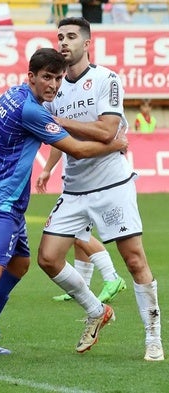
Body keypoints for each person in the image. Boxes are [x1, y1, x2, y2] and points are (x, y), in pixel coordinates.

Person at [0, 47, 128, 368]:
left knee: (19, 266)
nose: (53, 85)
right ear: (32, 77)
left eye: (57, 78)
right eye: (46, 78)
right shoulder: (32, 111)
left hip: (12, 203)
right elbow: (78, 151)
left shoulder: (14, 94)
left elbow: (1, 128)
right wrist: (117, 143)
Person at [38, 17, 163, 361]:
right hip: (74, 188)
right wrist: (49, 167)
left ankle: (153, 336)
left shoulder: (106, 79)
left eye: (71, 36)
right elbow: (56, 139)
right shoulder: (54, 89)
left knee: (135, 259)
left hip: (112, 185)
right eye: (60, 36)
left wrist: (60, 122)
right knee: (48, 258)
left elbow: (109, 131)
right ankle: (96, 309)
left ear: (87, 43)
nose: (63, 41)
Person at [36, 148, 127, 304]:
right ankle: (81, 286)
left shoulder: (71, 123)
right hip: (81, 179)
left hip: (82, 182)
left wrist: (47, 169)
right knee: (80, 233)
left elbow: (58, 144)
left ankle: (112, 277)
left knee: (76, 234)